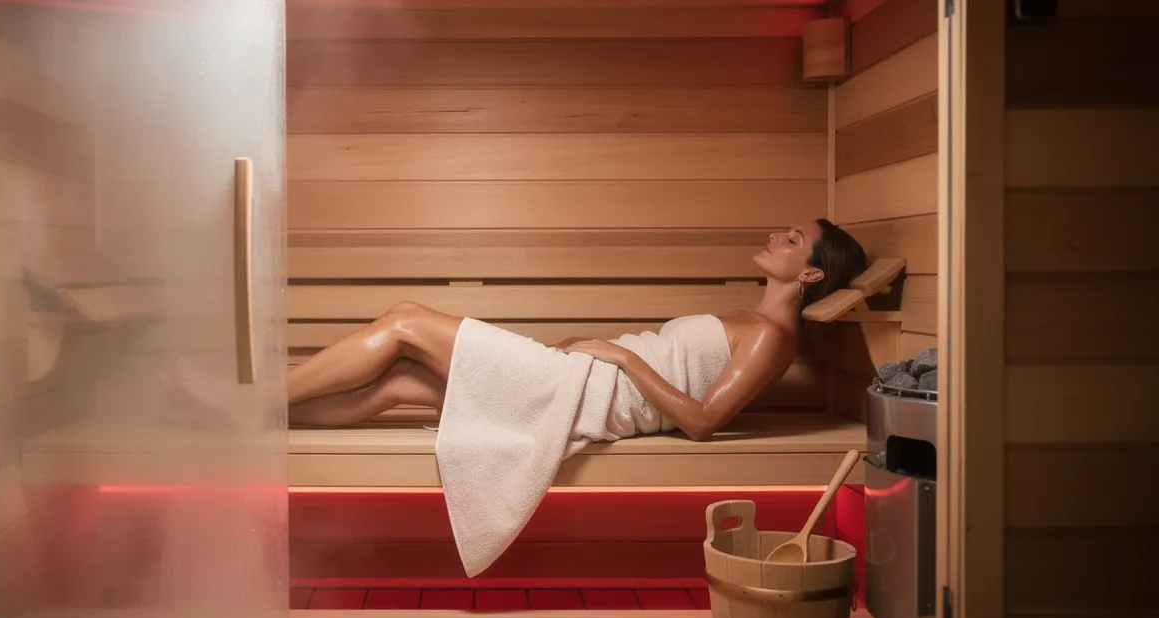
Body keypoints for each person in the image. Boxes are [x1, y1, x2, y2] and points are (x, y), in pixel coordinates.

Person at [283, 218, 867, 441]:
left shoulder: (769, 337)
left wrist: (621, 357)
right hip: (579, 383)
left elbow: (703, 422)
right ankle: (262, 422)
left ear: (812, 272)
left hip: (589, 394)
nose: (776, 237)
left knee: (405, 321)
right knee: (397, 384)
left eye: (793, 240)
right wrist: (600, 354)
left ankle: (257, 400)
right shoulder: (753, 321)